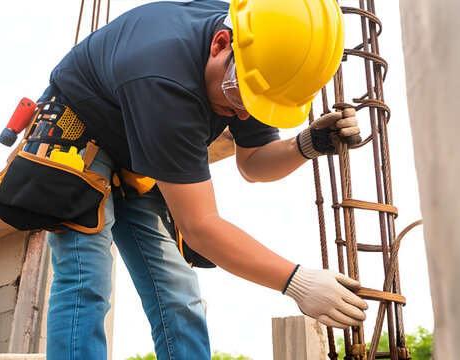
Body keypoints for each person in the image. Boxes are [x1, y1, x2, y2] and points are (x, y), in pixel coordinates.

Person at [37, 0, 368, 359]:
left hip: (137, 148)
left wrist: (306, 145)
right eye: (241, 97)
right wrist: (298, 282)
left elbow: (253, 163)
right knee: (87, 276)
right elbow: (200, 226)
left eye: (256, 105)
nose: (243, 113)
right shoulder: (164, 79)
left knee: (178, 290)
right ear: (219, 44)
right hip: (78, 129)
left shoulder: (254, 56)